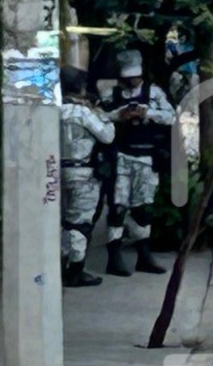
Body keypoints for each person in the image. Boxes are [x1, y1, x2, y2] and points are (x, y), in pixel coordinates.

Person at [102, 49, 174, 277]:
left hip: (146, 158)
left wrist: (148, 113)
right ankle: (114, 256)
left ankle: (144, 255)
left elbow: (171, 116)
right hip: (121, 157)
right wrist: (120, 114)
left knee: (143, 207)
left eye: (135, 76)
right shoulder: (112, 94)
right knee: (118, 207)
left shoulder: (154, 93)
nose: (132, 81)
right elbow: (100, 117)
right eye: (128, 77)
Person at [59, 67, 114, 287]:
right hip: (83, 171)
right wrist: (102, 114)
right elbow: (107, 136)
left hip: (56, 171)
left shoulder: (53, 110)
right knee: (80, 223)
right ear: (81, 87)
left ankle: (61, 264)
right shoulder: (84, 113)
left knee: (63, 221)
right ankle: (76, 270)